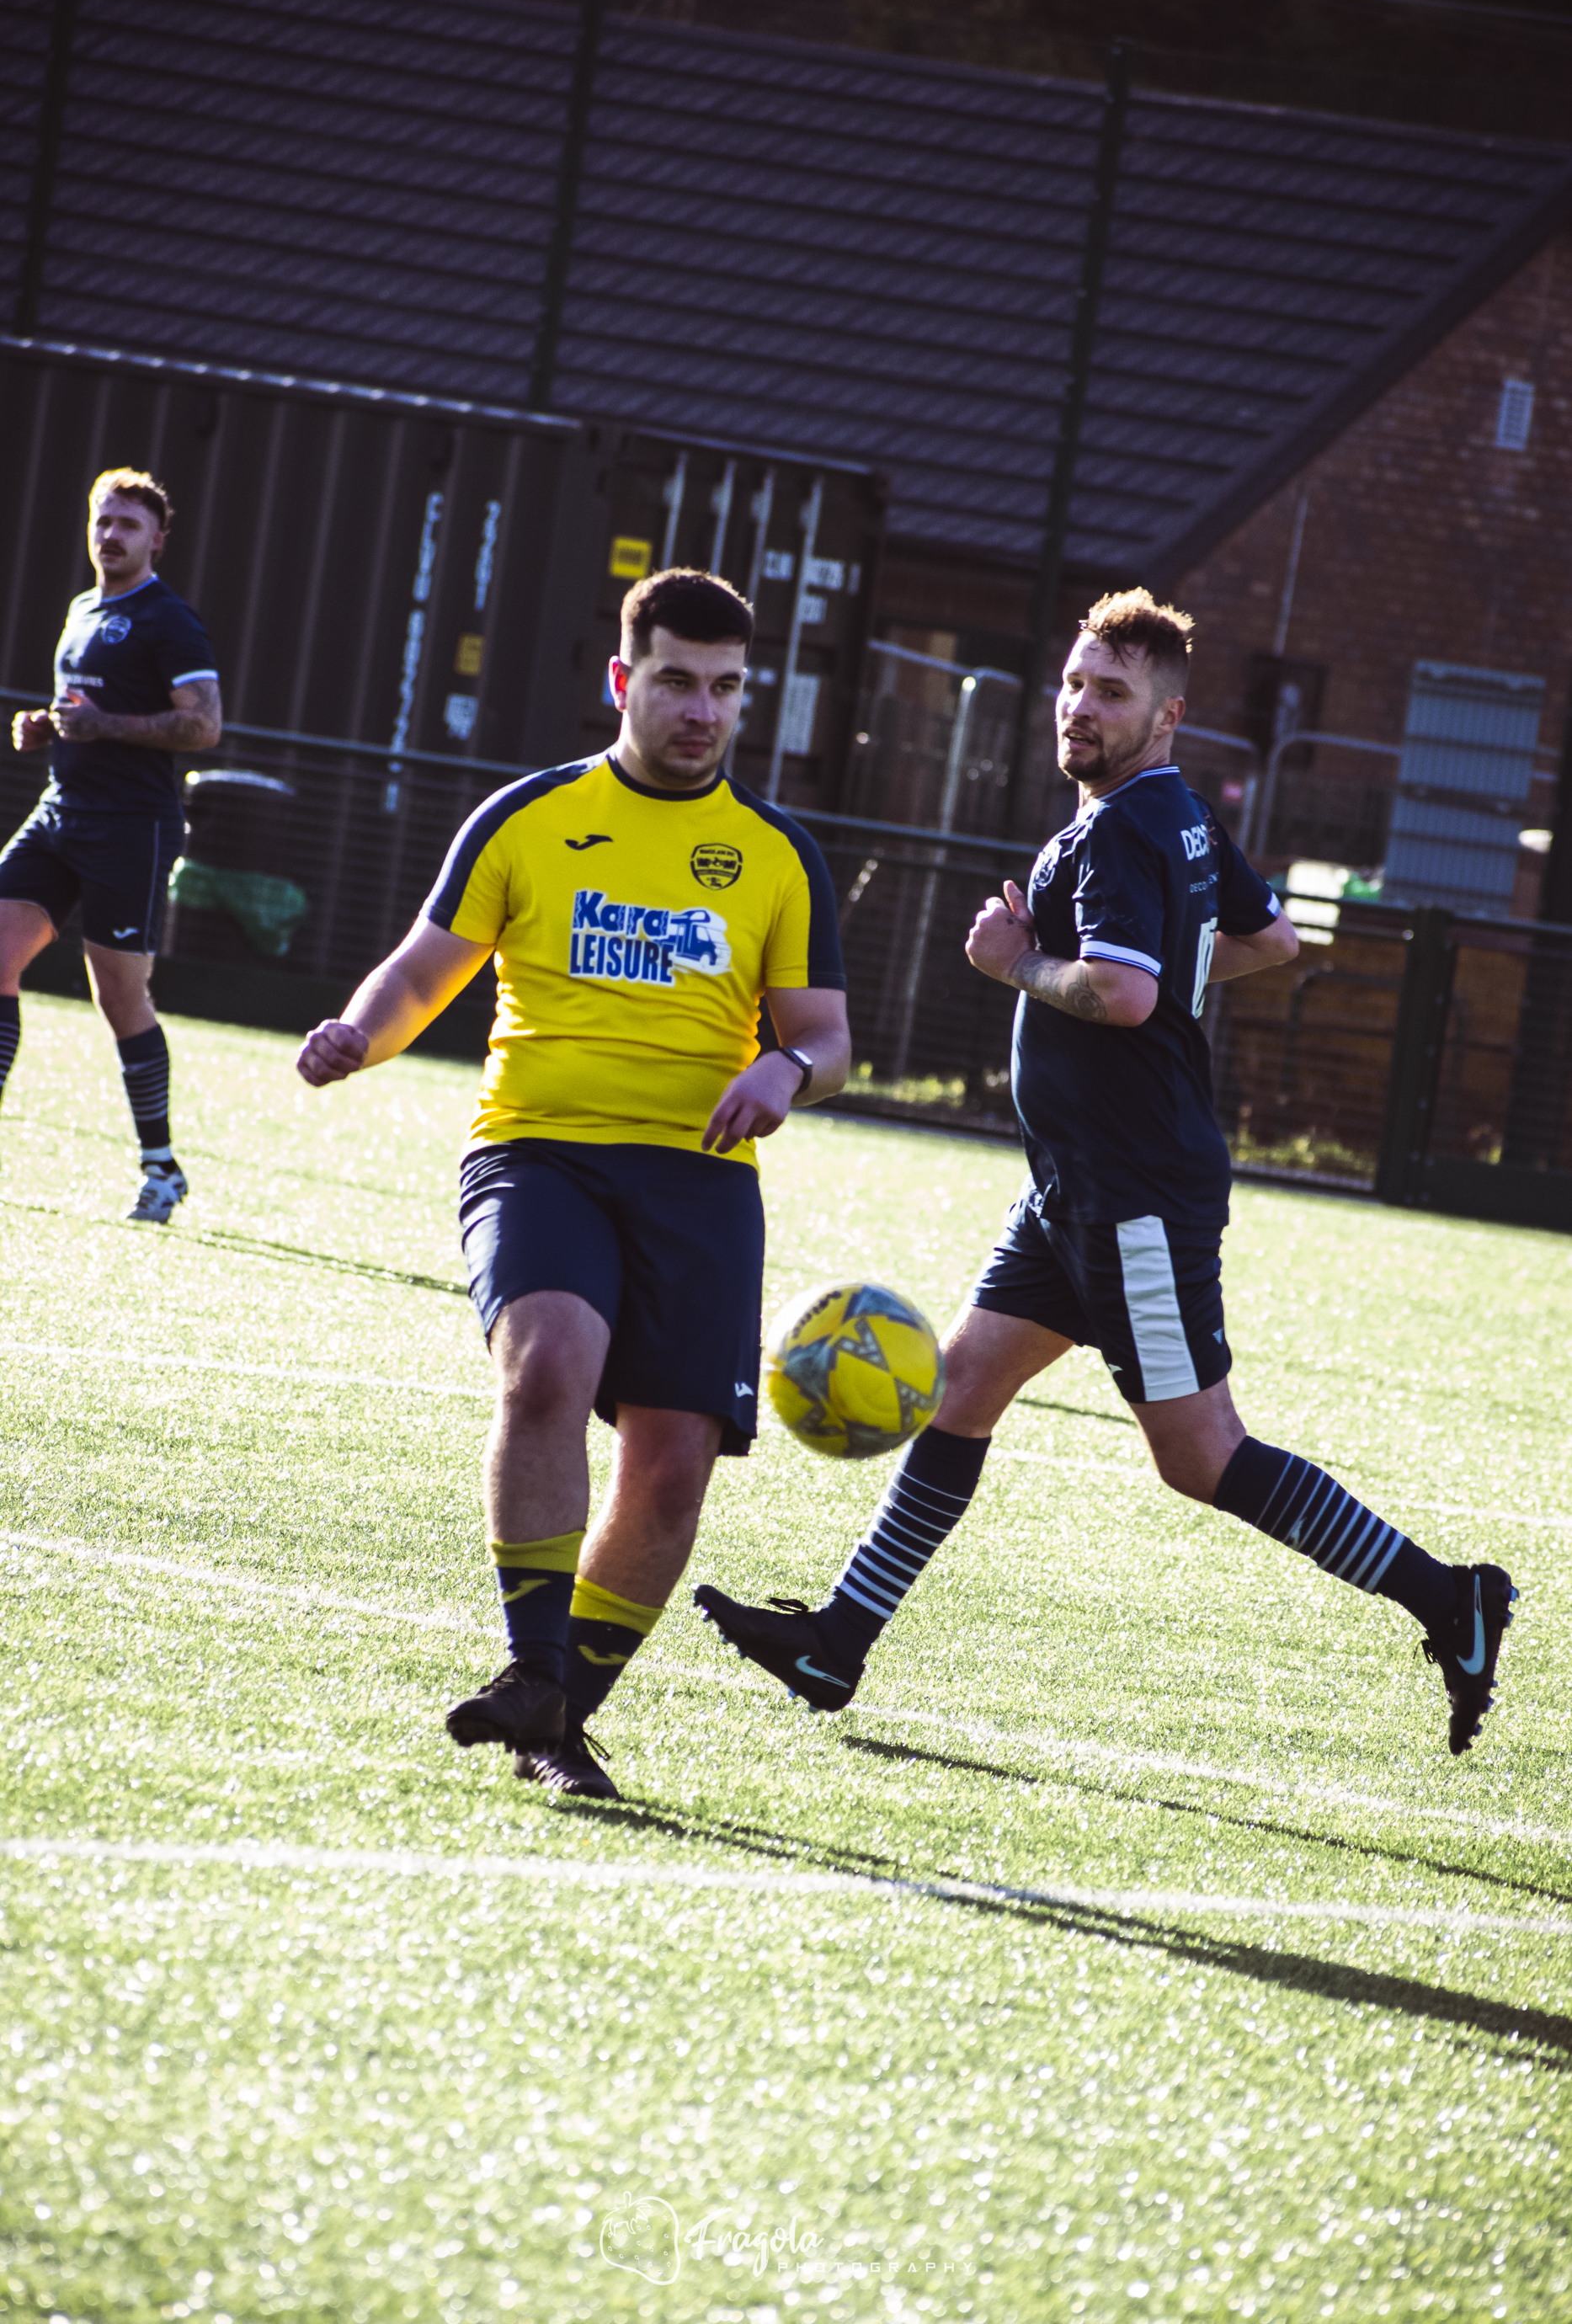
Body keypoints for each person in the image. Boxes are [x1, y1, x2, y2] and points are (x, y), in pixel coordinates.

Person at [696, 589, 1516, 1758]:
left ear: (1165, 715)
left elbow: (1122, 993)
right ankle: (837, 1640)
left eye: (1110, 692)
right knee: (964, 1385)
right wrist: (1152, 979)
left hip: (1131, 1196)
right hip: (1072, 1191)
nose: (1080, 707)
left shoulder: (1120, 830)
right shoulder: (1173, 813)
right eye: (1074, 683)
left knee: (1198, 1455)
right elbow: (1272, 941)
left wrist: (1014, 961)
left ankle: (1450, 1600)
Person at [296, 568, 850, 1799]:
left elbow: (827, 1038)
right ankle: (529, 1658)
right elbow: (418, 973)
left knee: (671, 1464)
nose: (700, 710)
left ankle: (558, 1714)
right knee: (547, 1364)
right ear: (622, 680)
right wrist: (354, 1034)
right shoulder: (529, 819)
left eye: (724, 689)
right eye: (673, 682)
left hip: (700, 1180)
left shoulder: (775, 856)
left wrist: (782, 1068)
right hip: (537, 1151)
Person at [2, 468, 221, 1221]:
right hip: (60, 811)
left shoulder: (169, 620)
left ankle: (161, 1168)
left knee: (119, 996)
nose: (111, 536)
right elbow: (83, 708)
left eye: (128, 525)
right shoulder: (80, 609)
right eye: (102, 522)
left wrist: (109, 728)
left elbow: (203, 725)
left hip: (133, 827)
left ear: (156, 540)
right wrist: (46, 724)